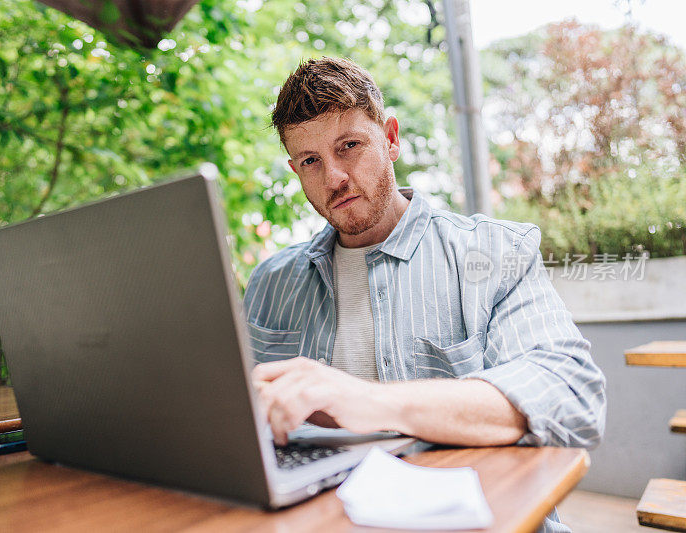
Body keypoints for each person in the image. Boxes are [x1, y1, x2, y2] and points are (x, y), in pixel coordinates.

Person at [243, 57, 605, 532]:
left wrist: (365, 401)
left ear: (390, 138)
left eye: (349, 146)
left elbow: (572, 397)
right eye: (311, 161)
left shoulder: (495, 251)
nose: (333, 177)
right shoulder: (271, 281)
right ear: (295, 169)